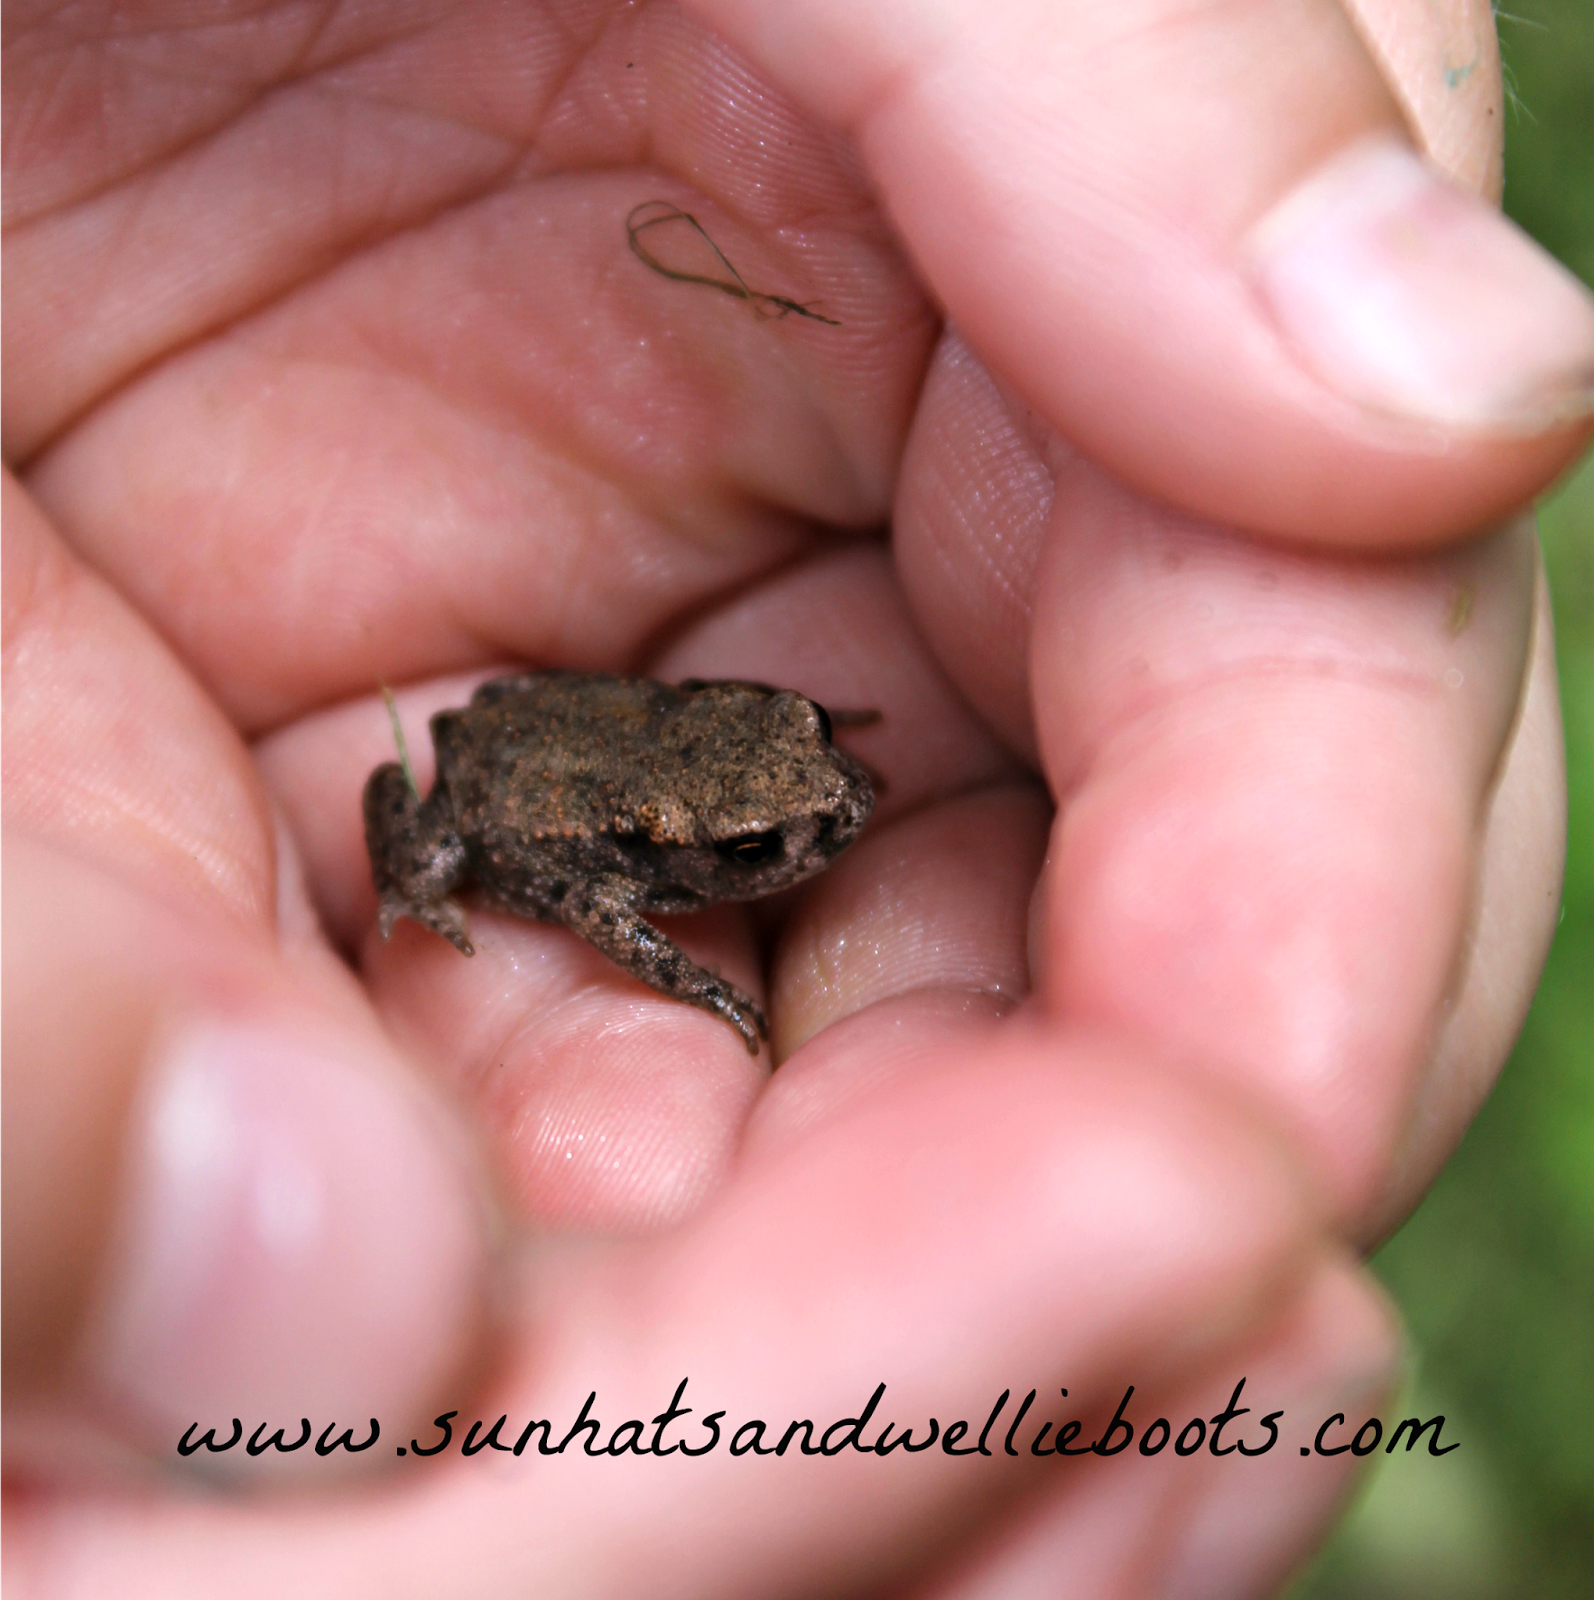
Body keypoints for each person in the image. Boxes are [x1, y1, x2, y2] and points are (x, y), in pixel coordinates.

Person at [3, 0, 1587, 1591]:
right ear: (700, 859)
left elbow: (724, 729)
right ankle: (426, 883)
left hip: (596, 724)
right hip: (506, 786)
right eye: (774, 844)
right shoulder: (611, 873)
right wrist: (676, 974)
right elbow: (617, 908)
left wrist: (785, 740)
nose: (828, 826)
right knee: (427, 825)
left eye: (806, 801)